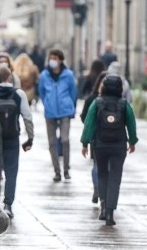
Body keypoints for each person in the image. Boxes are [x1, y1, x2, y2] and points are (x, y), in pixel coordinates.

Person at [80, 75, 138, 226]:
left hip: (100, 144)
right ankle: (111, 212)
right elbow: (131, 124)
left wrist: (85, 142)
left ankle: (104, 206)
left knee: (102, 175)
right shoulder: (125, 104)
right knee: (115, 177)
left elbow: (89, 124)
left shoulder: (97, 103)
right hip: (119, 145)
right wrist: (132, 141)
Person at [0, 67, 34, 218]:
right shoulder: (18, 94)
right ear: (10, 78)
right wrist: (30, 138)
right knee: (11, 172)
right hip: (12, 138)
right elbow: (27, 117)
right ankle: (8, 204)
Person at [39, 49, 78, 182]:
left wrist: (71, 107)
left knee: (65, 140)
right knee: (52, 142)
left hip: (65, 110)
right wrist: (47, 103)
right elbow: (42, 92)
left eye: (55, 58)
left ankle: (66, 169)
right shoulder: (44, 75)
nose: (52, 61)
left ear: (60, 60)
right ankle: (57, 171)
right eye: (51, 58)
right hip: (50, 112)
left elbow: (73, 92)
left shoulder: (68, 75)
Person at [81, 71, 108, 204]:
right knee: (107, 167)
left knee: (97, 164)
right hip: (114, 139)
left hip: (96, 138)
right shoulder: (119, 101)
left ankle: (97, 188)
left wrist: (87, 137)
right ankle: (103, 191)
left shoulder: (91, 100)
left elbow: (83, 118)